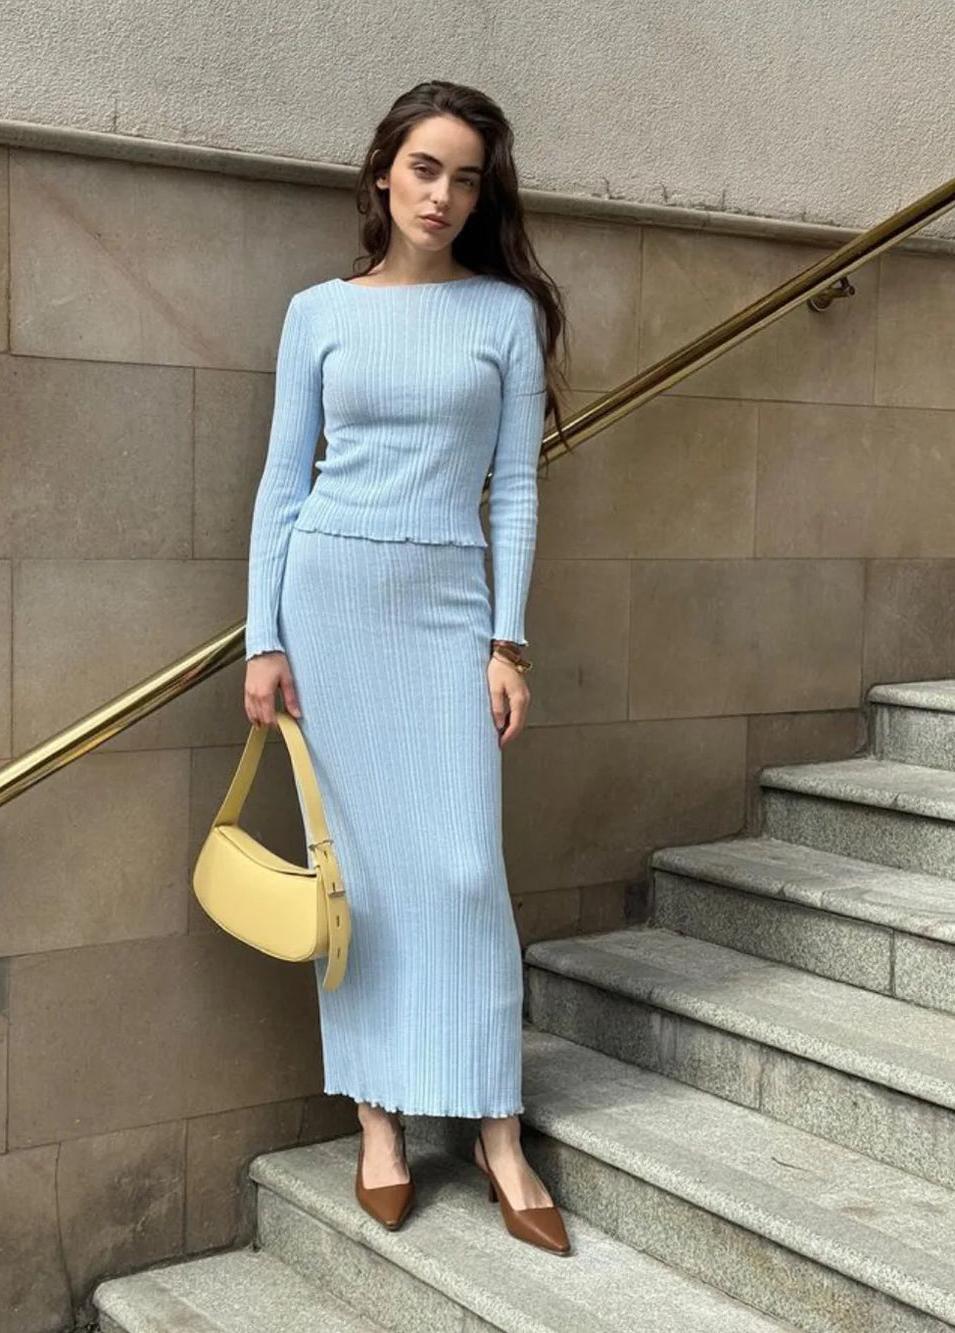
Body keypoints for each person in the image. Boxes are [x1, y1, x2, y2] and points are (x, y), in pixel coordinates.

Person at [243, 79, 572, 1255]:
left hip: (445, 608)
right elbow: (284, 484)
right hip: (327, 604)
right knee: (361, 879)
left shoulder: (501, 315)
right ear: (383, 171)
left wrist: (506, 638)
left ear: (483, 194)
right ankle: (377, 1123)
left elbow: (517, 485)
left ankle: (496, 1129)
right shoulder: (316, 311)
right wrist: (261, 638)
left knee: (465, 870)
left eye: (467, 176)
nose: (443, 193)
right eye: (425, 167)